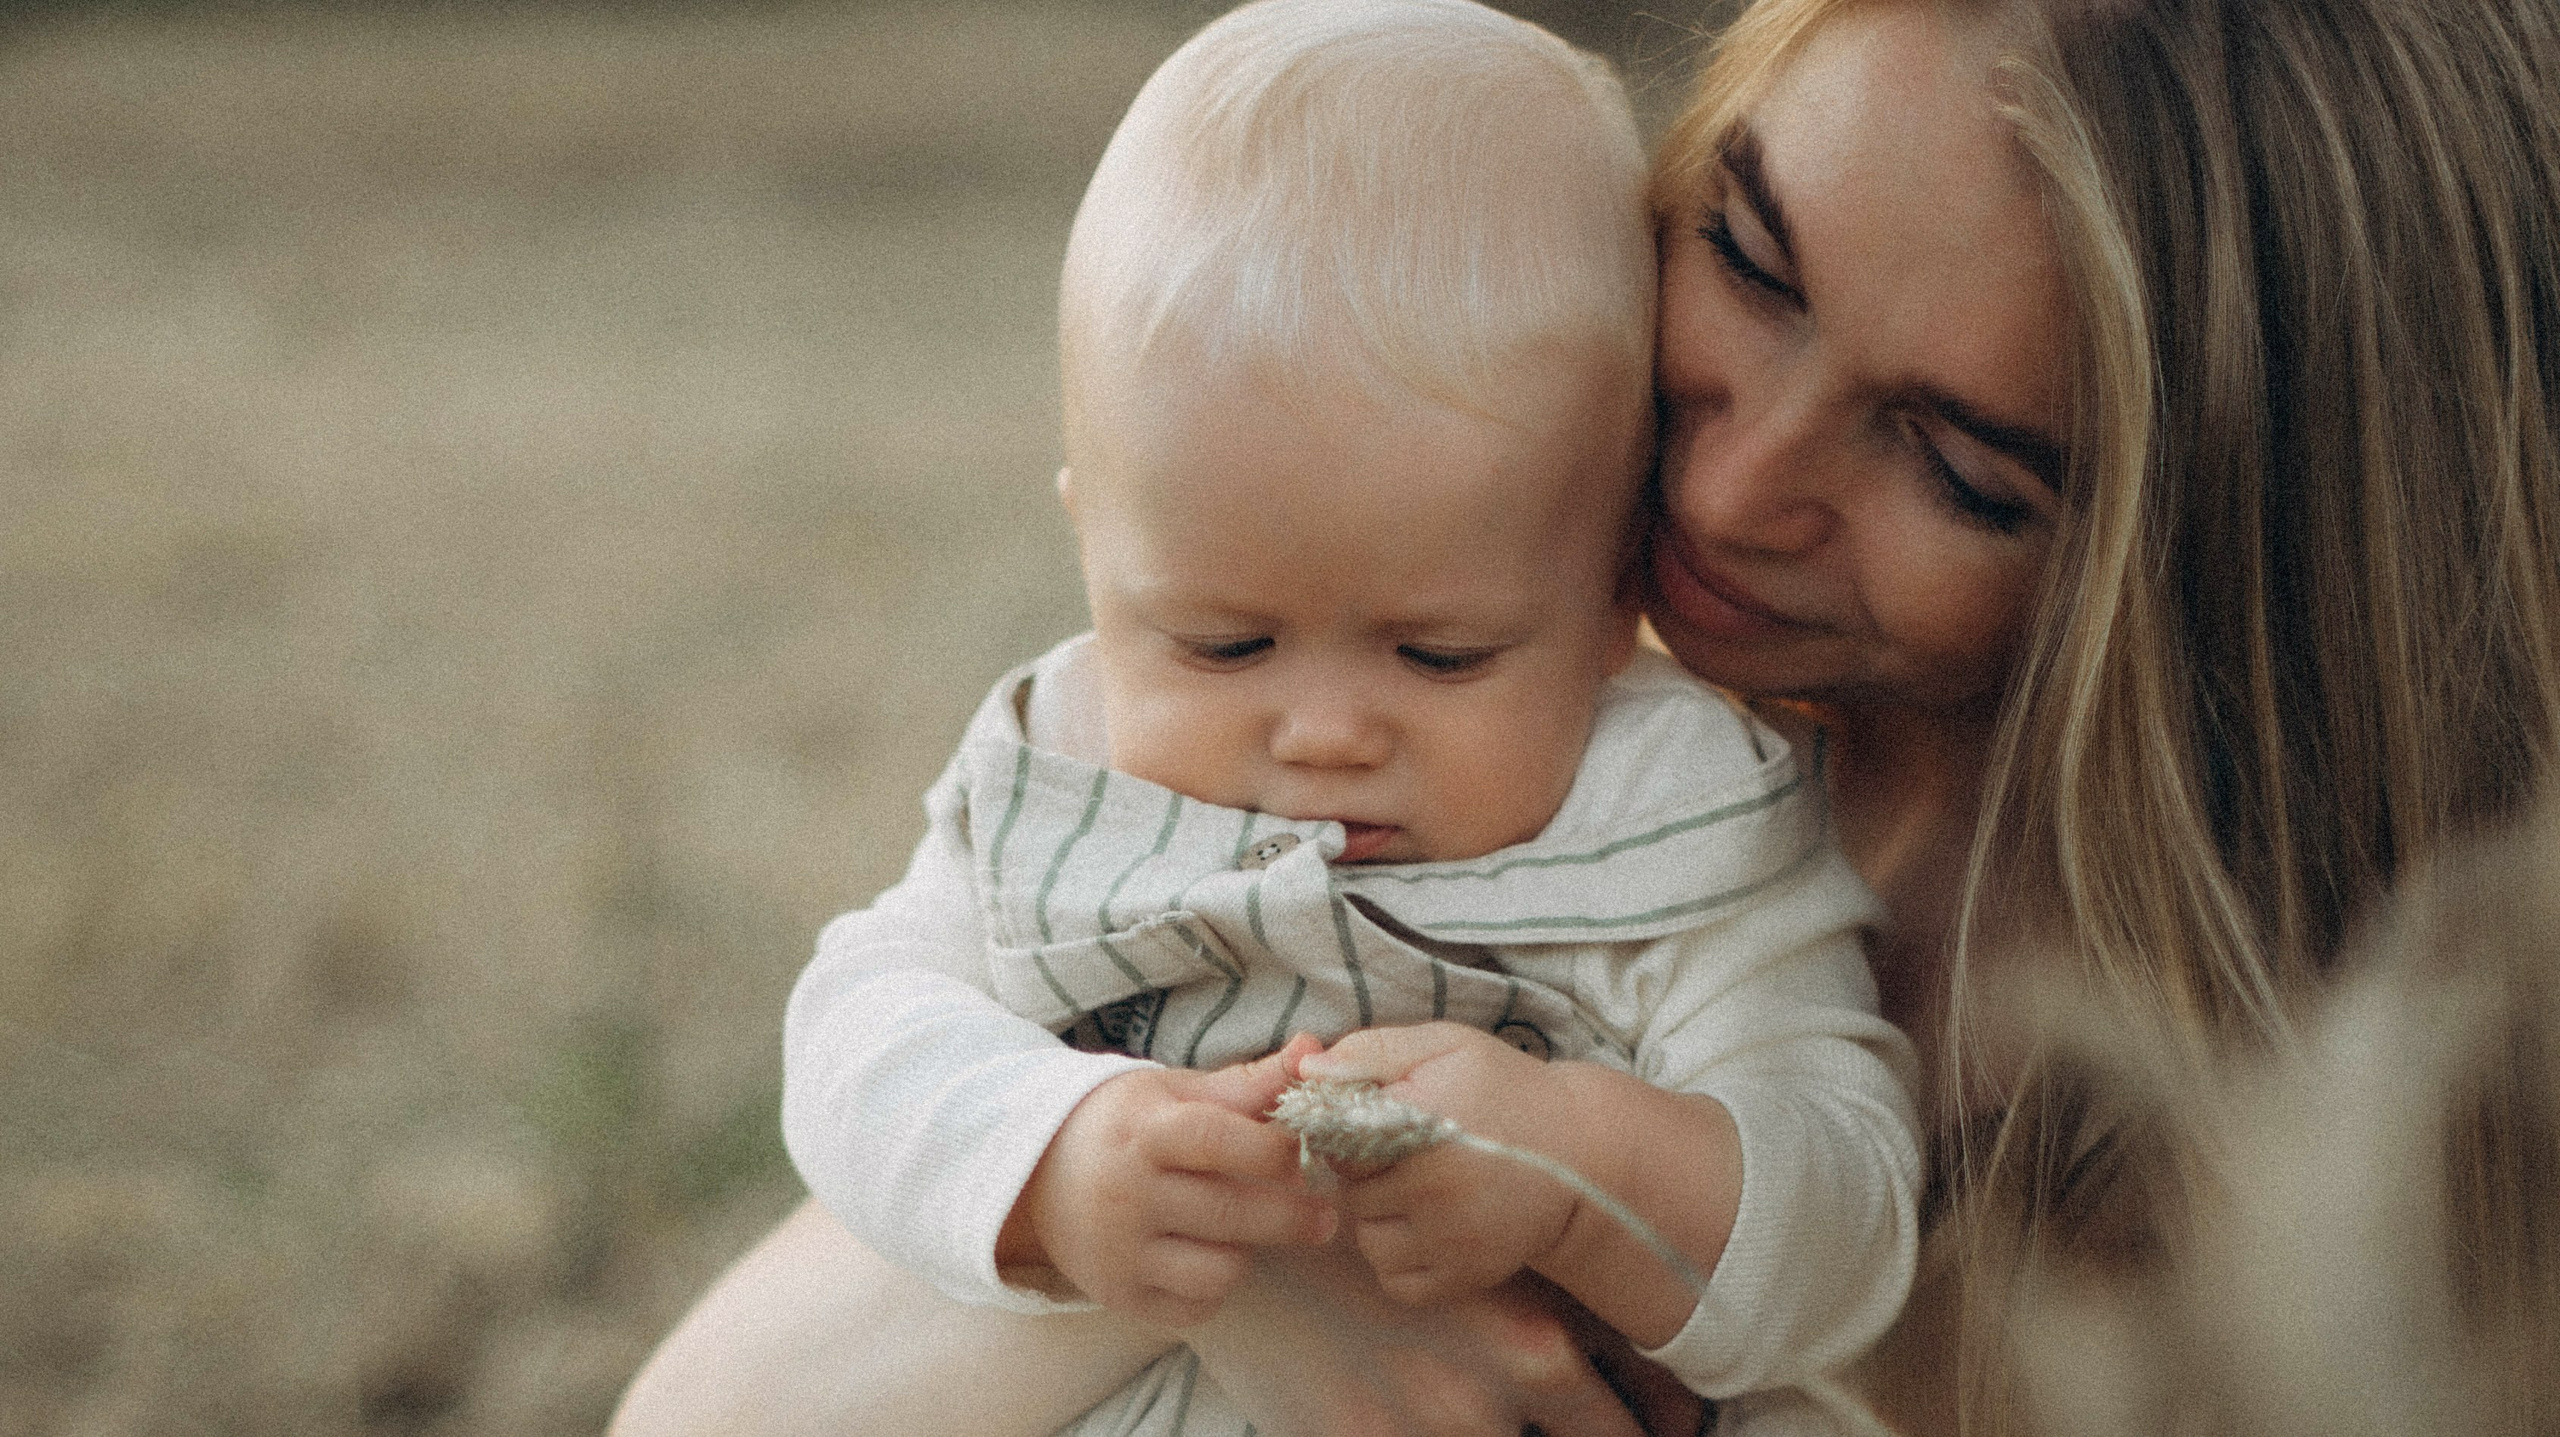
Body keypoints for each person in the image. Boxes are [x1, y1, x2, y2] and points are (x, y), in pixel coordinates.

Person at [613, 0, 2560, 1430]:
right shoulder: (1223, 749)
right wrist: (1219, 1255)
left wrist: (1572, 1176)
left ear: (2221, 553)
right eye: (1742, 251)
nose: (1719, 494)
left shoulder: (1714, 861)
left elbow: (1807, 1201)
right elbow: (705, 1396)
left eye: (1961, 468)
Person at [773, 2, 1921, 1432]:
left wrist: (1580, 1163)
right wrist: (1047, 1153)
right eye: (1222, 639)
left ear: (1614, 582)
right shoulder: (1063, 775)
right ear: (1098, 559)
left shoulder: (1677, 816)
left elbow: (1849, 1205)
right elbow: (857, 1029)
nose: (1322, 733)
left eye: (1440, 655)